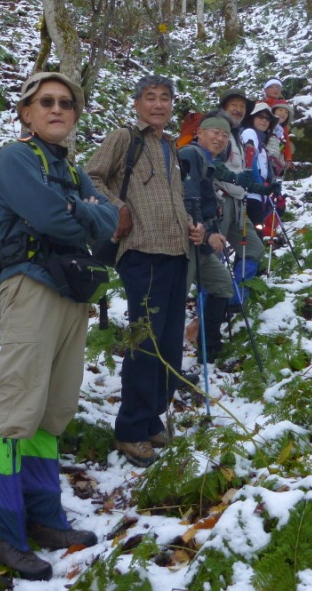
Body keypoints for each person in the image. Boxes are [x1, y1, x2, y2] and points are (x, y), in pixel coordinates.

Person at [0, 72, 119, 581]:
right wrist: (88, 212)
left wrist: (87, 212)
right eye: (46, 102)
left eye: (66, 103)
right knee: (18, 407)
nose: (57, 109)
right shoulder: (15, 159)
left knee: (53, 408)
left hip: (69, 292)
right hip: (29, 287)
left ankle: (42, 514)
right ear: (26, 113)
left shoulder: (71, 168)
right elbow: (58, 221)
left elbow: (111, 225)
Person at [86, 75, 204, 468]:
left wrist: (192, 225)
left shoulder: (171, 145)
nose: (158, 105)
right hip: (142, 252)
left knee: (169, 343)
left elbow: (171, 199)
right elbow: (91, 176)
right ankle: (131, 429)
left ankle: (151, 416)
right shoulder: (125, 137)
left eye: (165, 98)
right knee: (146, 342)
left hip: (176, 251)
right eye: (150, 98)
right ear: (137, 104)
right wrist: (117, 207)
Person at [178, 116, 234, 365]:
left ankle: (209, 347)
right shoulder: (190, 153)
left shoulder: (208, 161)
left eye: (224, 135)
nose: (220, 139)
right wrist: (207, 233)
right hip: (186, 240)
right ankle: (167, 363)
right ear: (199, 132)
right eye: (215, 132)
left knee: (222, 284)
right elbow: (189, 198)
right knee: (176, 299)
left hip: (200, 239)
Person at [216, 88, 267, 296]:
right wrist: (234, 179)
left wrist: (261, 188)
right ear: (223, 107)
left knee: (254, 248)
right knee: (213, 257)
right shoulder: (218, 131)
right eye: (233, 105)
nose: (238, 110)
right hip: (218, 201)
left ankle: (236, 299)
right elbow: (209, 165)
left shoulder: (236, 135)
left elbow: (241, 171)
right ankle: (213, 308)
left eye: (242, 106)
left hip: (238, 203)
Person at [241, 102, 278, 230]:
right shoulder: (249, 133)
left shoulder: (262, 145)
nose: (264, 120)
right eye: (260, 116)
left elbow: (267, 172)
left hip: (257, 195)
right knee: (255, 237)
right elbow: (250, 160)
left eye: (267, 118)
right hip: (250, 195)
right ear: (252, 118)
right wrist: (260, 187)